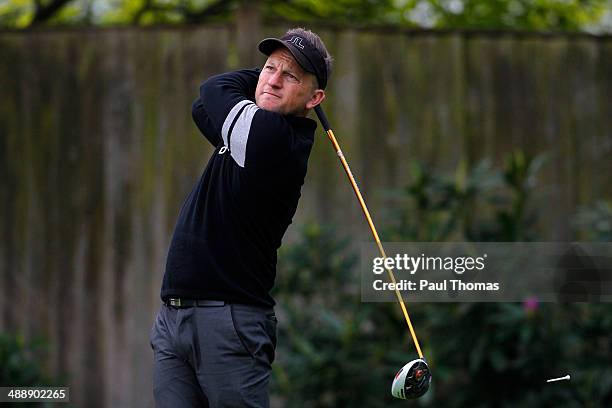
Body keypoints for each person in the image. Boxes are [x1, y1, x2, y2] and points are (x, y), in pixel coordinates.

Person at [150, 27, 333, 408]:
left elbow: (213, 89)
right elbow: (202, 108)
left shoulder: (274, 139)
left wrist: (263, 79)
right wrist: (275, 77)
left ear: (315, 98)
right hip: (175, 318)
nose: (275, 80)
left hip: (229, 323)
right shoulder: (247, 131)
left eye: (292, 76)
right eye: (269, 68)